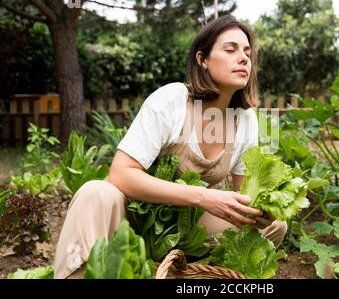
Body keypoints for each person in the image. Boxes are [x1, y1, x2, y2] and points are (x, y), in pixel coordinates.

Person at [53, 15, 287, 279]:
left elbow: (244, 197)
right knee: (96, 193)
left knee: (275, 226)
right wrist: (204, 197)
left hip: (186, 231)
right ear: (203, 59)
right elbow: (120, 174)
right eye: (230, 49)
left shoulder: (245, 120)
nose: (244, 58)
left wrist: (259, 213)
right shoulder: (173, 100)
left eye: (247, 52)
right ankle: (90, 272)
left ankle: (183, 274)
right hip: (133, 221)